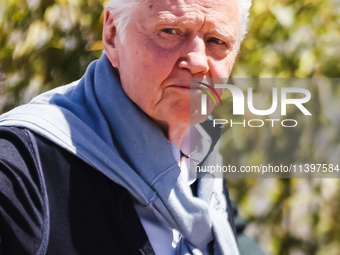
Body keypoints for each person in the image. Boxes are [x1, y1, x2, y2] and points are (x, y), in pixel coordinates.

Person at [0, 0, 254, 254]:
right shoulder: (19, 167)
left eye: (216, 41)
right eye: (170, 31)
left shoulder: (204, 160)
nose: (198, 61)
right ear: (112, 35)